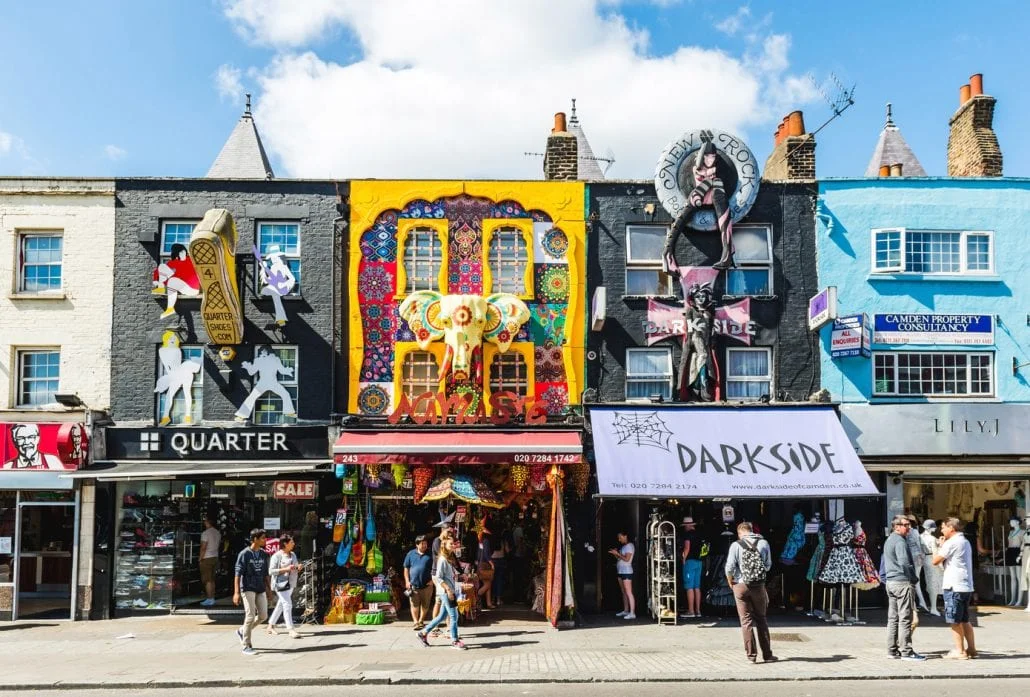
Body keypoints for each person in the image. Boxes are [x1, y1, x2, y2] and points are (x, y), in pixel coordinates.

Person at [725, 521, 776, 664]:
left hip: (740, 585)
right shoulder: (764, 543)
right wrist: (758, 576)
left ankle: (751, 656)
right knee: (761, 619)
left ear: (740, 532)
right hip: (758, 586)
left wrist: (730, 581)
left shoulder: (736, 545)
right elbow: (768, 565)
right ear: (752, 530)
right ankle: (767, 655)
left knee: (746, 621)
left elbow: (729, 567)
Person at [933, 517, 977, 659]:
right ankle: (971, 649)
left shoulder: (951, 542)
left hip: (954, 585)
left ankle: (960, 651)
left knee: (954, 620)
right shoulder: (965, 541)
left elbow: (935, 560)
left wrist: (939, 546)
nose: (942, 530)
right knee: (964, 619)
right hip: (965, 585)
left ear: (952, 528)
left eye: (944, 527)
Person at [883, 515, 926, 661]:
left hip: (891, 582)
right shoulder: (900, 541)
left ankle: (892, 650)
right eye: (905, 525)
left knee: (893, 618)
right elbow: (904, 562)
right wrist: (913, 577)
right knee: (905, 618)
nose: (908, 527)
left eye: (909, 524)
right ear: (896, 526)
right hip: (901, 582)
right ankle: (907, 651)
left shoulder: (890, 539)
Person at [417, 536, 467, 650]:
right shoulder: (443, 560)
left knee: (442, 616)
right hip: (446, 592)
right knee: (454, 616)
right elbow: (438, 577)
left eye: (453, 544)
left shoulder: (448, 559)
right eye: (451, 544)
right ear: (444, 546)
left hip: (448, 590)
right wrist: (448, 590)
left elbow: (447, 576)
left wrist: (458, 577)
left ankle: (423, 633)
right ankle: (455, 640)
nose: (453, 546)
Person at [234, 346, 297, 423]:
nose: (263, 352)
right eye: (262, 351)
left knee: (285, 394)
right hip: (263, 382)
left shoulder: (275, 359)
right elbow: (252, 372)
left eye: (265, 351)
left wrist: (288, 370)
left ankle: (289, 412)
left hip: (272, 382)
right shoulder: (259, 360)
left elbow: (281, 370)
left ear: (269, 351)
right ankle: (241, 416)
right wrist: (248, 366)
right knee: (252, 397)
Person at [233, 528, 271, 656]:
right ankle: (246, 645)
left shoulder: (263, 554)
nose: (265, 540)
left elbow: (265, 573)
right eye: (263, 538)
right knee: (250, 615)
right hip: (248, 586)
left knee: (263, 616)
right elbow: (237, 574)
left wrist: (269, 589)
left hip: (260, 587)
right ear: (255, 539)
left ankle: (242, 631)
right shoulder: (244, 554)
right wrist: (236, 592)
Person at [152, 243, 200, 319]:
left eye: (183, 251)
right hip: (182, 287)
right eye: (180, 252)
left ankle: (170, 308)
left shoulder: (192, 261)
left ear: (185, 251)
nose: (182, 254)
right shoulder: (174, 262)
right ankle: (161, 288)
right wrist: (155, 280)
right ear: (176, 253)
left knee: (172, 281)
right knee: (162, 266)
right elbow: (157, 271)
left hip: (193, 289)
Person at [267, 534, 302, 638]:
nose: (293, 544)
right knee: (287, 604)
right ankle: (290, 629)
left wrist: (298, 567)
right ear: (285, 544)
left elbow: (294, 566)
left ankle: (270, 625)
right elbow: (271, 571)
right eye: (291, 542)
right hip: (280, 584)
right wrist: (286, 569)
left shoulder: (293, 554)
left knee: (281, 605)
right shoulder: (277, 556)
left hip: (290, 583)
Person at [404, 534, 434, 630]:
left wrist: (433, 580)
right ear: (417, 545)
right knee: (414, 604)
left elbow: (436, 567)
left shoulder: (431, 554)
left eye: (425, 543)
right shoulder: (410, 554)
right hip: (413, 584)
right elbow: (406, 568)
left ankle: (421, 620)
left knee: (426, 604)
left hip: (427, 585)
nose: (425, 545)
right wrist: (407, 581)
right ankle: (416, 622)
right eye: (422, 544)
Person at [609, 531, 635, 620]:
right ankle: (626, 610)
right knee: (623, 592)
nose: (619, 539)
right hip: (620, 571)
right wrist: (616, 554)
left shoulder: (629, 546)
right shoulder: (624, 546)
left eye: (620, 537)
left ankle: (632, 612)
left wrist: (618, 554)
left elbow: (627, 559)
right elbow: (620, 558)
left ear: (625, 536)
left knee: (628, 592)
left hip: (627, 571)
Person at [680, 517, 703, 619]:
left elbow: (687, 547)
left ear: (688, 525)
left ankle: (691, 610)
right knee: (697, 587)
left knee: (689, 587)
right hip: (699, 561)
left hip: (690, 561)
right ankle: (698, 610)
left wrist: (684, 558)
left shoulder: (688, 534)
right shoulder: (699, 534)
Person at [199, 516, 221, 607]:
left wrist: (200, 558)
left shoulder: (205, 533)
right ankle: (212, 597)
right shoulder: (217, 532)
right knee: (212, 579)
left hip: (207, 557)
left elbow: (203, 547)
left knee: (207, 579)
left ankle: (209, 598)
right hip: (215, 556)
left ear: (207, 522)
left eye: (205, 521)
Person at [490, 527, 510, 606]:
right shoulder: (503, 541)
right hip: (501, 560)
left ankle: (492, 599)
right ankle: (498, 599)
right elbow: (507, 550)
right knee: (499, 580)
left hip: (492, 561)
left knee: (492, 580)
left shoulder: (491, 541)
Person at [476, 532, 496, 609]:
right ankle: (476, 596)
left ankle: (489, 603)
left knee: (488, 584)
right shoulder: (486, 541)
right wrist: (492, 564)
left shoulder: (480, 541)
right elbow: (487, 554)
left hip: (480, 564)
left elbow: (478, 554)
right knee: (487, 584)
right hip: (485, 564)